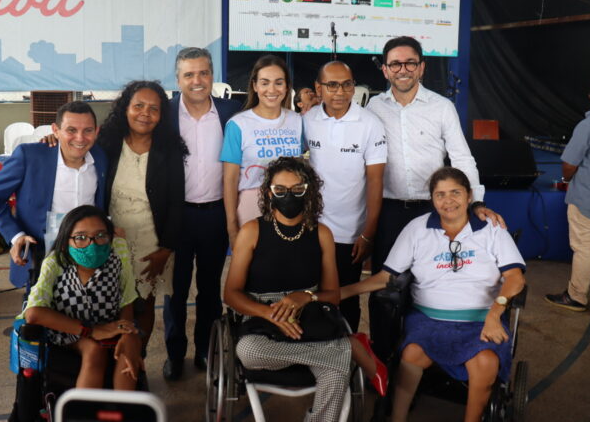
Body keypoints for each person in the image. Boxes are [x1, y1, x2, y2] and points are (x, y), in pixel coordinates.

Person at [341, 167, 526, 422]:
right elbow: (386, 277)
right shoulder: (417, 229)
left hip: (483, 318)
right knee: (412, 354)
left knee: (485, 362)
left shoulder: (491, 229)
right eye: (440, 194)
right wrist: (341, 292)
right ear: (432, 199)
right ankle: (397, 418)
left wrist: (495, 314)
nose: (448, 200)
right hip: (429, 319)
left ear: (469, 196)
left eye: (455, 192)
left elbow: (516, 278)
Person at [366, 35, 504, 361]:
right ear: (385, 70)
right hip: (389, 212)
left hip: (433, 213)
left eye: (410, 63)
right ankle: (383, 363)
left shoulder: (442, 107)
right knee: (385, 291)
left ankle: (420, 358)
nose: (403, 69)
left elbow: (462, 158)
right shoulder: (372, 109)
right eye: (395, 64)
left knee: (428, 286)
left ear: (421, 67)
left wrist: (475, 202)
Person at [224, 157, 388, 422]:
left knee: (334, 375)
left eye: (297, 189)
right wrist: (269, 314)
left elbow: (333, 296)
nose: (288, 196)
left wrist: (306, 296)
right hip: (262, 315)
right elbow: (231, 293)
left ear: (309, 192)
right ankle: (348, 348)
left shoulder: (322, 233)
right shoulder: (252, 231)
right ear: (269, 193)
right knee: (248, 352)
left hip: (309, 314)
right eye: (280, 190)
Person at [162, 47, 242, 380]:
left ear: (212, 76)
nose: (197, 80)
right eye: (189, 74)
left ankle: (205, 352)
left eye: (203, 73)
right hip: (175, 218)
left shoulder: (231, 112)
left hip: (215, 216)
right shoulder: (163, 113)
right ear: (178, 80)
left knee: (209, 291)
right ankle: (174, 354)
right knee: (175, 292)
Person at [99, 80, 186, 354]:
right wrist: (51, 140)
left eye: (153, 108)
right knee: (110, 303)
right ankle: (114, 361)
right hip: (111, 239)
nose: (145, 113)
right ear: (126, 108)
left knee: (143, 304)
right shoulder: (107, 143)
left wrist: (166, 249)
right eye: (138, 106)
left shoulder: (169, 149)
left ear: (161, 115)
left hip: (152, 242)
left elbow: (176, 202)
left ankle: (138, 360)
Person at [0, 101, 108, 288]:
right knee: (39, 305)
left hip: (88, 254)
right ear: (56, 130)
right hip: (40, 255)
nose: (80, 138)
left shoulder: (101, 157)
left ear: (96, 131)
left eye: (87, 130)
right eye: (71, 130)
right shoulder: (30, 156)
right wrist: (16, 236)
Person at [303, 61, 387, 332]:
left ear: (354, 87)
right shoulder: (307, 121)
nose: (340, 92)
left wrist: (368, 233)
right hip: (311, 229)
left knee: (346, 302)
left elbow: (375, 181)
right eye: (332, 85)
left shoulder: (370, 123)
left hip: (350, 234)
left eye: (346, 84)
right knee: (309, 297)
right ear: (318, 88)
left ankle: (347, 352)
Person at [23, 205, 142, 390]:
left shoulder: (117, 253)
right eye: (80, 237)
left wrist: (128, 334)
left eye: (101, 235)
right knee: (94, 350)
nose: (92, 244)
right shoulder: (56, 262)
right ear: (66, 241)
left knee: (128, 350)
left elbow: (127, 297)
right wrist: (91, 331)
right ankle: (85, 406)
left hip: (112, 326)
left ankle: (124, 404)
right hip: (71, 332)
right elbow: (33, 314)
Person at [221, 55, 303, 249]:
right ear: (255, 86)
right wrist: (232, 227)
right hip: (251, 205)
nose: (272, 90)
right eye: (265, 83)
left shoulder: (297, 121)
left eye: (279, 83)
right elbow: (229, 180)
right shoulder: (238, 124)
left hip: (291, 204)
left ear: (287, 87)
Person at [545, 76, 590, 311]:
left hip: (588, 198)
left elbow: (569, 164)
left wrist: (568, 180)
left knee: (584, 249)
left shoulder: (588, 125)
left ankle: (577, 296)